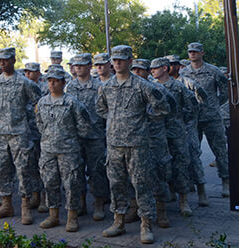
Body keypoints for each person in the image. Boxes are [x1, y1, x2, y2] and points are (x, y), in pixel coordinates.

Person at [97, 45, 170, 245]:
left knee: (142, 184)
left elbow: (163, 107)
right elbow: (101, 108)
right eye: (115, 59)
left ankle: (146, 224)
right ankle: (118, 221)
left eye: (122, 59)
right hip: (114, 144)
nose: (118, 62)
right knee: (116, 183)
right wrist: (116, 122)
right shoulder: (106, 86)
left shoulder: (142, 85)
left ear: (130, 61)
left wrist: (143, 121)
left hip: (137, 144)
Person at [0, 47, 41, 225]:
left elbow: (38, 105)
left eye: (6, 60)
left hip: (19, 132)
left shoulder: (25, 83)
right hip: (0, 132)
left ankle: (25, 206)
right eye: (0, 60)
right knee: (1, 168)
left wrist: (29, 121)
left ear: (13, 60)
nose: (2, 63)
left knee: (23, 169)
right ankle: (6, 204)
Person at [36, 67, 93, 232]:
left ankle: (72, 216)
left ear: (63, 82)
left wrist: (70, 138)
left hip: (68, 150)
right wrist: (49, 136)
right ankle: (53, 215)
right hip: (48, 149)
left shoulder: (72, 102)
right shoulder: (42, 102)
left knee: (71, 184)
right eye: (49, 81)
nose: (52, 84)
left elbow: (84, 124)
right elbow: (39, 123)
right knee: (50, 182)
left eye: (55, 81)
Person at [180, 42, 230, 197]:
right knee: (193, 152)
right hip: (193, 119)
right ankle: (197, 184)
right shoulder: (184, 73)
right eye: (190, 52)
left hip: (212, 117)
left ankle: (226, 183)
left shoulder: (213, 71)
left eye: (195, 51)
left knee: (220, 151)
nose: (192, 54)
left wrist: (214, 104)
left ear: (202, 53)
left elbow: (226, 91)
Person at [65, 54, 109, 221]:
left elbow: (106, 111)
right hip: (75, 136)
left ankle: (98, 204)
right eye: (76, 65)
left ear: (89, 66)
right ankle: (81, 202)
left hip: (95, 135)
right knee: (76, 171)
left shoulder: (99, 86)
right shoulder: (69, 87)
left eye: (82, 65)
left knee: (97, 171)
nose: (78, 68)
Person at [131, 58, 173, 228]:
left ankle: (161, 210)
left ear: (148, 72)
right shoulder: (129, 90)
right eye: (134, 70)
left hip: (155, 139)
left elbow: (171, 109)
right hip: (136, 139)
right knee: (134, 175)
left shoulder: (158, 88)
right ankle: (135, 207)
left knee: (159, 173)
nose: (137, 73)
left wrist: (158, 122)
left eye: (140, 70)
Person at [150, 57, 193, 217]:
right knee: (161, 165)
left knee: (180, 164)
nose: (152, 70)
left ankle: (184, 200)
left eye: (156, 68)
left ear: (165, 69)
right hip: (158, 133)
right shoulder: (151, 87)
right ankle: (166, 195)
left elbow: (191, 106)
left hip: (176, 132)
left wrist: (184, 124)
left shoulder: (178, 86)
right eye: (152, 68)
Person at [166, 54, 209, 206]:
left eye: (172, 64)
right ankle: (172, 191)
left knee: (193, 158)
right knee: (170, 160)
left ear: (178, 66)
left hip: (186, 127)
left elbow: (197, 103)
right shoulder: (158, 83)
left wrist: (190, 120)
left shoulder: (186, 83)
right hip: (168, 129)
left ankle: (201, 191)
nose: (169, 67)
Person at [23, 62, 49, 213]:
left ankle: (45, 197)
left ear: (38, 73)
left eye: (30, 72)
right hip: (28, 131)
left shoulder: (45, 87)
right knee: (31, 165)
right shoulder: (23, 87)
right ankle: (35, 195)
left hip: (42, 132)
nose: (27, 74)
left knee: (44, 166)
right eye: (26, 71)